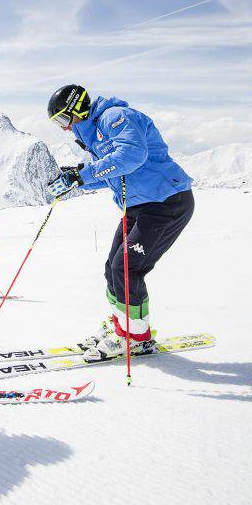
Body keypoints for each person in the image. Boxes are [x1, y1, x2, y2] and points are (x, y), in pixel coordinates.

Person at [46, 84, 194, 361]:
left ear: (78, 108)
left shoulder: (115, 117)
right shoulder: (92, 132)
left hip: (166, 201)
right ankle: (121, 326)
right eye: (58, 123)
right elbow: (113, 173)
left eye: (64, 119)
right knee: (112, 268)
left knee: (126, 268)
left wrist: (83, 174)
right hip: (138, 205)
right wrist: (77, 180)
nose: (64, 128)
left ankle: (136, 338)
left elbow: (131, 157)